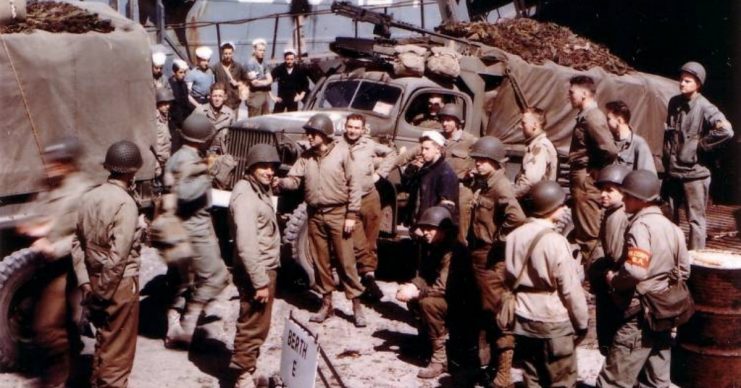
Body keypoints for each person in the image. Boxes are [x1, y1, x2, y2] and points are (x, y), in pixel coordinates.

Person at [597, 170, 690, 387]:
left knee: (612, 381)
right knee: (656, 381)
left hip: (639, 316)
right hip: (663, 313)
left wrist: (614, 280)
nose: (625, 201)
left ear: (641, 200)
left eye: (627, 196)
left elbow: (636, 271)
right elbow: (684, 270)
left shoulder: (640, 227)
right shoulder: (673, 228)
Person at [273, 113, 366, 326]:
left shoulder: (343, 153)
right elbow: (295, 180)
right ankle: (326, 303)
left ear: (324, 134)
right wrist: (281, 182)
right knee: (320, 262)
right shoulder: (306, 157)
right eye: (308, 134)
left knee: (346, 261)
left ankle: (356, 305)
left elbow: (355, 185)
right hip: (314, 215)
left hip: (339, 214)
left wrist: (351, 214)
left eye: (312, 134)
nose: (309, 138)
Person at [17, 137, 93, 387]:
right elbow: (43, 213)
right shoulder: (52, 185)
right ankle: (72, 372)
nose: (50, 167)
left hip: (68, 266)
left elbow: (83, 236)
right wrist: (37, 227)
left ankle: (57, 380)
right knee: (62, 322)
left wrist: (53, 246)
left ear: (68, 163)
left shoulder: (81, 191)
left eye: (56, 163)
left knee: (47, 327)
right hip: (49, 265)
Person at [72, 141, 144, 388]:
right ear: (132, 171)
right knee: (118, 352)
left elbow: (76, 244)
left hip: (93, 280)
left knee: (103, 344)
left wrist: (85, 283)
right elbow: (119, 256)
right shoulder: (126, 204)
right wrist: (103, 292)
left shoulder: (89, 197)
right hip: (118, 285)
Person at [505, 181, 589, 387]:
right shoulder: (556, 242)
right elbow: (569, 289)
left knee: (532, 375)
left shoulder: (514, 235)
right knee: (561, 378)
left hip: (523, 314)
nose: (565, 209)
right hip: (552, 318)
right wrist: (582, 321)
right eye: (561, 205)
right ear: (551, 209)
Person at [163, 113, 230, 347]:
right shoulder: (192, 162)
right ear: (202, 139)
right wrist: (207, 172)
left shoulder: (177, 156)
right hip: (194, 229)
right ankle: (188, 327)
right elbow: (185, 193)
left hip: (180, 228)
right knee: (217, 277)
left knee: (184, 280)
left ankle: (174, 322)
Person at [465, 136, 526, 388]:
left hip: (491, 257)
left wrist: (498, 239)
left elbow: (517, 218)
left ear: (494, 161)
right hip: (479, 255)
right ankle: (491, 367)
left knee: (496, 315)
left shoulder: (500, 187)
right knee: (484, 312)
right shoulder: (485, 183)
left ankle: (504, 374)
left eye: (482, 160)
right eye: (477, 159)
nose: (477, 163)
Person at [396, 206, 478, 382]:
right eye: (424, 228)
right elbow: (425, 273)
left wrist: (416, 293)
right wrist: (412, 285)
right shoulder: (437, 246)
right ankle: (428, 343)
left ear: (443, 230)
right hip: (450, 299)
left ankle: (439, 359)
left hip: (462, 304)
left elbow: (443, 288)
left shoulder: (455, 251)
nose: (425, 233)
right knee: (417, 301)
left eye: (430, 228)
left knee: (428, 304)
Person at [662, 61, 734, 250]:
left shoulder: (705, 107)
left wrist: (701, 145)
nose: (682, 84)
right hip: (674, 172)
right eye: (681, 80)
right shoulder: (674, 103)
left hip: (694, 174)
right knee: (671, 218)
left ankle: (695, 262)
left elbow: (727, 131)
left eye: (687, 81)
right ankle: (672, 256)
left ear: (698, 84)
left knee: (695, 221)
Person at [228, 144, 282, 388]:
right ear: (251, 167)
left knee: (259, 324)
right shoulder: (246, 195)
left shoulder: (256, 189)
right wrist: (260, 281)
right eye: (263, 167)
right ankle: (243, 376)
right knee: (252, 325)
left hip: (262, 267)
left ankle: (248, 366)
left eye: (272, 167)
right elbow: (246, 243)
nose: (269, 172)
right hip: (256, 270)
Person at [339, 113, 397, 302]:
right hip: (349, 200)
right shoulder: (337, 145)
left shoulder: (370, 144)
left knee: (371, 239)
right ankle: (361, 277)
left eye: (357, 128)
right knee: (358, 241)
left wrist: (380, 174)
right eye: (350, 127)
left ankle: (369, 277)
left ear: (363, 130)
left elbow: (391, 153)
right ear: (345, 127)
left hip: (370, 197)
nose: (353, 131)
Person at [567, 75, 618, 264]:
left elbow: (610, 150)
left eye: (572, 92)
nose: (569, 96)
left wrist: (597, 168)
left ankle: (592, 283)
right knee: (583, 230)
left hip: (586, 180)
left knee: (588, 236)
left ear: (584, 93)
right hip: (581, 178)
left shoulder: (592, 117)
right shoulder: (584, 117)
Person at [589, 164, 631, 355]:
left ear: (623, 193)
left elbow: (613, 254)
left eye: (609, 190)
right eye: (602, 190)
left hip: (613, 282)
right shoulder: (613, 213)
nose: (603, 195)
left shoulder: (617, 216)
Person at [404, 131, 460, 226]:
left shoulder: (446, 173)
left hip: (432, 227)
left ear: (438, 149)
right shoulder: (425, 169)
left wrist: (430, 227)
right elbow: (408, 187)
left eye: (427, 149)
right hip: (419, 222)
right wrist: (411, 170)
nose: (423, 152)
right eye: (422, 148)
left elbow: (446, 208)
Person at [513, 107, 558, 199]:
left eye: (523, 123)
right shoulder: (534, 145)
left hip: (535, 201)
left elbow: (530, 180)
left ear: (534, 125)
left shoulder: (540, 146)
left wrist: (509, 196)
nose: (520, 126)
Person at [604, 100, 656, 174]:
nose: (606, 122)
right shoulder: (608, 143)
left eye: (608, 119)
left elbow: (647, 178)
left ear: (619, 121)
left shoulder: (639, 144)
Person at [195, 82, 235, 154]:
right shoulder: (200, 111)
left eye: (220, 96)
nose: (217, 99)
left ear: (224, 97)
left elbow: (233, 138)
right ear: (210, 96)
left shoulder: (230, 114)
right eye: (214, 96)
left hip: (222, 153)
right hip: (202, 152)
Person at [271, 48, 310, 113]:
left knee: (293, 118)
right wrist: (272, 97)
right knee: (276, 117)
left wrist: (301, 96)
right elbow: (269, 81)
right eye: (287, 59)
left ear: (294, 59)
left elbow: (306, 83)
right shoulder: (279, 69)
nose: (289, 61)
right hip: (281, 99)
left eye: (292, 59)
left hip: (293, 99)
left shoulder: (298, 69)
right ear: (284, 59)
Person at [212, 42, 245, 111]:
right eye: (226, 53)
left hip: (235, 101)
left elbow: (246, 81)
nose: (228, 56)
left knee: (234, 121)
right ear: (222, 54)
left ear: (233, 53)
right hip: (222, 101)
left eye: (230, 53)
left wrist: (238, 83)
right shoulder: (216, 67)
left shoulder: (238, 66)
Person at [245, 38, 273, 117]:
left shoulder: (264, 63)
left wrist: (260, 82)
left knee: (265, 120)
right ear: (254, 50)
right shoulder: (250, 63)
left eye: (264, 50)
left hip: (264, 97)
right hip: (254, 98)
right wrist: (265, 82)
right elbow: (254, 84)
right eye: (260, 50)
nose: (262, 52)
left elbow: (270, 80)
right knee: (254, 122)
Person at [169, 58, 195, 137]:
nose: (183, 75)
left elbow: (186, 101)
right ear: (174, 72)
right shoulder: (170, 85)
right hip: (175, 120)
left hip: (184, 117)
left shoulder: (183, 84)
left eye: (184, 72)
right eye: (180, 72)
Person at [154, 87, 175, 181]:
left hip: (166, 156)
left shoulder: (166, 116)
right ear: (158, 103)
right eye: (165, 104)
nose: (168, 106)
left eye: (169, 103)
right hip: (156, 159)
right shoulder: (153, 118)